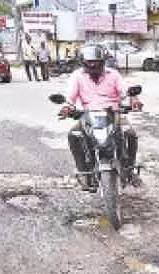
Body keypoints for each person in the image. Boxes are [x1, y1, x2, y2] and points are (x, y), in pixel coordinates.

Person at [60, 45, 143, 190]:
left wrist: (134, 100)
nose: (93, 65)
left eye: (96, 62)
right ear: (83, 62)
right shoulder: (77, 76)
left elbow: (124, 91)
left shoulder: (113, 75)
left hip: (113, 113)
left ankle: (130, 170)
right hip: (88, 115)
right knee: (73, 135)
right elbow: (70, 96)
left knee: (130, 134)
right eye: (89, 62)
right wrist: (67, 107)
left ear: (103, 61)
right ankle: (83, 172)